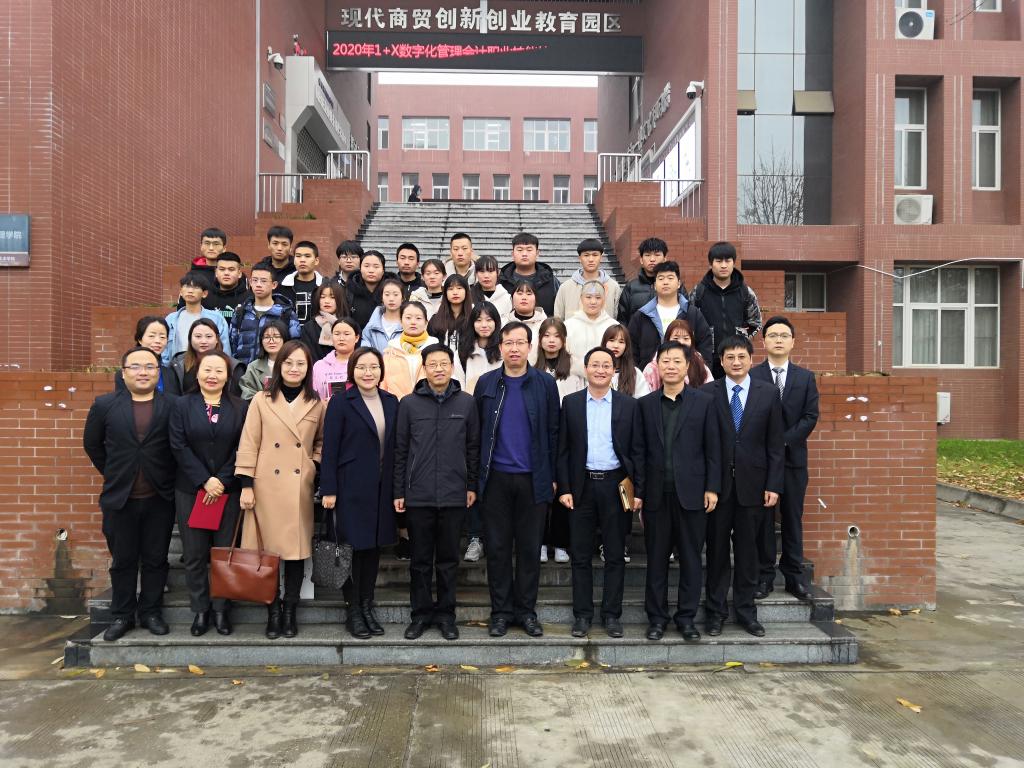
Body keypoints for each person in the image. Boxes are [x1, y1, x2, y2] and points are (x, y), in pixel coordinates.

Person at [83, 347, 177, 641]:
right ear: (123, 373)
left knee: (156, 559)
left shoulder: (173, 405)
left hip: (160, 497)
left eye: (149, 366)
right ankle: (122, 615)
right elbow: (92, 445)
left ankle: (151, 612)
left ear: (158, 372)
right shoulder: (105, 405)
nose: (142, 372)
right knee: (123, 560)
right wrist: (114, 472)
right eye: (135, 367)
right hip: (119, 497)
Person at [475, 322, 560, 638]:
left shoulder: (545, 384)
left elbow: (554, 432)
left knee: (529, 549)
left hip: (532, 478)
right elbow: (477, 433)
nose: (514, 348)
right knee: (497, 549)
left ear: (530, 346)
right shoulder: (487, 383)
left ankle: (526, 612)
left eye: (520, 342)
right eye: (508, 343)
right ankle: (500, 613)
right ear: (500, 347)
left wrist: (553, 476)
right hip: (495, 478)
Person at [236, 340, 325, 640]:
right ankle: (272, 611)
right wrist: (246, 485)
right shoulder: (261, 400)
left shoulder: (316, 403)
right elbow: (249, 442)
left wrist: (311, 464)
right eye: (288, 363)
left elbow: (321, 442)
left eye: (300, 363)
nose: (294, 368)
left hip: (298, 487)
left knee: (295, 553)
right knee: (268, 554)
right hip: (265, 486)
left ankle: (290, 611)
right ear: (279, 366)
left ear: (308, 368)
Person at [394, 344, 480, 641]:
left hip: (454, 493)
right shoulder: (409, 404)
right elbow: (400, 450)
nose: (439, 369)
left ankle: (446, 615)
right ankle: (419, 615)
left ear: (452, 367)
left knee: (448, 561)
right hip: (418, 495)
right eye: (433, 364)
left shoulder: (467, 403)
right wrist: (399, 490)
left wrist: (471, 485)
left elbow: (473, 448)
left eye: (444, 363)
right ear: (424, 368)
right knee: (419, 561)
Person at [636, 341, 721, 641]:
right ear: (657, 366)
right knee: (656, 561)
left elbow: (714, 449)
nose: (670, 366)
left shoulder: (704, 402)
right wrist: (639, 491)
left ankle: (686, 619)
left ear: (687, 366)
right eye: (665, 361)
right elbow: (639, 452)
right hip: (656, 496)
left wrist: (712, 487)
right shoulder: (645, 405)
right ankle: (657, 619)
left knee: (691, 560)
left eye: (676, 361)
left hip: (693, 495)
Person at [701, 335, 784, 638]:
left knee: (749, 554)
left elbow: (775, 444)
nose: (736, 362)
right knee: (717, 553)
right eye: (730, 357)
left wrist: (774, 484)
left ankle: (747, 612)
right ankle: (715, 613)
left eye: (741, 357)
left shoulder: (768, 393)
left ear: (751, 359)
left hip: (755, 487)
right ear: (721, 362)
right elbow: (701, 445)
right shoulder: (706, 393)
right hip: (718, 489)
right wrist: (707, 485)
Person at [558, 346, 643, 638]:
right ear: (586, 369)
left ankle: (611, 615)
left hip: (616, 485)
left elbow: (637, 450)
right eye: (595, 365)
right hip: (581, 486)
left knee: (615, 555)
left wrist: (638, 489)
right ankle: (582, 615)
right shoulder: (570, 404)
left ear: (614, 370)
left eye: (606, 365)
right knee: (580, 555)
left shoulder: (628, 405)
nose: (601, 370)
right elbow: (563, 450)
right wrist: (565, 488)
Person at [320, 346, 399, 639]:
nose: (368, 373)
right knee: (352, 550)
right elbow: (330, 448)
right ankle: (353, 610)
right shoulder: (341, 402)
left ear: (381, 370)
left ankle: (367, 605)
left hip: (381, 489)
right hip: (349, 487)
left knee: (373, 550)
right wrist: (329, 488)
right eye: (362, 367)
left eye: (374, 367)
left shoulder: (391, 401)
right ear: (352, 370)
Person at [168, 350, 248, 637]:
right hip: (191, 490)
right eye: (207, 370)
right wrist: (204, 480)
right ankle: (200, 610)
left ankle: (221, 609)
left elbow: (243, 446)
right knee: (194, 554)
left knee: (224, 554)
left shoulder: (240, 407)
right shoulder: (181, 405)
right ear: (197, 373)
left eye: (219, 371)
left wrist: (221, 480)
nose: (212, 376)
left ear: (228, 376)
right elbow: (178, 446)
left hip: (227, 491)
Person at [749, 316, 819, 602]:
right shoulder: (752, 376)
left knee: (792, 519)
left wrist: (781, 441)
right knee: (763, 522)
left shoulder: (805, 378)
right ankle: (764, 576)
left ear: (793, 342)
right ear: (763, 341)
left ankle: (794, 577)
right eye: (773, 335)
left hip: (793, 462)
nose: (778, 340)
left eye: (784, 335)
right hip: (761, 463)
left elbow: (810, 417)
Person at [532, 318, 583, 566]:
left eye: (556, 336)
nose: (551, 341)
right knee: (541, 490)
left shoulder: (576, 366)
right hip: (539, 433)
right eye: (546, 335)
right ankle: (541, 542)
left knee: (564, 486)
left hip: (568, 432)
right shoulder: (532, 365)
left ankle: (561, 543)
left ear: (563, 340)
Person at [689, 241, 762, 379]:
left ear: (733, 263)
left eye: (728, 261)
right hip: (706, 358)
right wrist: (703, 344)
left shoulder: (745, 292)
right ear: (711, 264)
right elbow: (690, 324)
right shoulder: (699, 292)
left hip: (736, 359)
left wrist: (738, 339)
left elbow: (755, 322)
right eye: (718, 261)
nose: (723, 265)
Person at [628, 260, 713, 371]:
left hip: (687, 377)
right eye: (661, 278)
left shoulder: (692, 313)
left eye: (670, 278)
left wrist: (700, 373)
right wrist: (637, 376)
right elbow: (631, 351)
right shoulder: (641, 316)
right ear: (654, 285)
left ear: (678, 283)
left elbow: (705, 346)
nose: (665, 282)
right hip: (649, 377)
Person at [229, 263, 301, 364]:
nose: (258, 284)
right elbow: (233, 344)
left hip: (275, 370)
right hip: (245, 371)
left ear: (274, 285)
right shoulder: (240, 312)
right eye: (255, 280)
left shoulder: (286, 313)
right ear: (250, 283)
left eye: (263, 281)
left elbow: (294, 346)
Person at [164, 271, 231, 364]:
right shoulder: (171, 319)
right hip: (177, 368)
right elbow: (165, 350)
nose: (190, 291)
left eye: (195, 287)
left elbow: (225, 349)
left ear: (204, 293)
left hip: (208, 366)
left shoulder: (216, 318)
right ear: (181, 292)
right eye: (187, 286)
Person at [167, 318, 244, 396]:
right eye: (198, 336)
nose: (203, 341)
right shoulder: (178, 363)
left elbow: (235, 398)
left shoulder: (233, 365)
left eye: (208, 336)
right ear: (190, 339)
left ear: (217, 339)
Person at [381, 300, 439, 400]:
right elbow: (383, 384)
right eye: (408, 318)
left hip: (429, 403)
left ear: (426, 323)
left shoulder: (436, 349)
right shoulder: (391, 350)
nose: (413, 322)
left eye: (418, 318)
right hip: (397, 404)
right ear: (401, 321)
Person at [554, 238, 621, 320]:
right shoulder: (566, 287)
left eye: (595, 255)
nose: (591, 259)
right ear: (580, 258)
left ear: (601, 257)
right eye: (586, 255)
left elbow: (618, 319)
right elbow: (558, 319)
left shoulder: (613, 287)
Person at [642, 318, 713, 392]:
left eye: (686, 338)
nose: (681, 342)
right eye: (676, 338)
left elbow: (709, 390)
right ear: (667, 340)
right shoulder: (652, 367)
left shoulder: (699, 363)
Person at [498, 232, 560, 317]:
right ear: (512, 254)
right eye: (520, 250)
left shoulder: (551, 281)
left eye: (529, 250)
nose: (524, 254)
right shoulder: (502, 280)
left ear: (537, 253)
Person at [564, 281, 618, 377]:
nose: (593, 302)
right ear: (581, 298)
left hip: (605, 379)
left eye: (598, 297)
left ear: (604, 299)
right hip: (573, 379)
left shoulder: (613, 326)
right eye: (588, 297)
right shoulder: (568, 325)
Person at [113, 316, 173, 394]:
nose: (158, 341)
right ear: (140, 339)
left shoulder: (171, 374)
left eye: (162, 337)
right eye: (151, 336)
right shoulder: (125, 373)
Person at [617, 237, 669, 326]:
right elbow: (622, 321)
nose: (652, 259)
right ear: (641, 260)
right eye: (647, 255)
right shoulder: (631, 288)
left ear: (665, 259)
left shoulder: (675, 286)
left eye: (657, 255)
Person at [455, 302, 503, 395]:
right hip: (471, 402)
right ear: (472, 323)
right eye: (478, 320)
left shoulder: (504, 350)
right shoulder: (462, 353)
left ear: (496, 322)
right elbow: (460, 387)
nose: (484, 325)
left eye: (489, 320)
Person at [300, 281, 351, 362]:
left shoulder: (350, 325)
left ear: (340, 299)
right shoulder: (309, 327)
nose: (326, 301)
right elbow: (308, 356)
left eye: (332, 297)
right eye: (322, 297)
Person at [311, 317, 361, 400]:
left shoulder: (363, 364)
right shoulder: (319, 366)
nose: (341, 338)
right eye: (337, 334)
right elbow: (312, 396)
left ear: (356, 338)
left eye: (346, 334)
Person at [278, 240, 326, 324]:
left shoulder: (324, 286)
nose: (302, 260)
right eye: (298, 256)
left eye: (307, 256)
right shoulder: (283, 286)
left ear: (316, 261)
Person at [600, 323, 652, 399]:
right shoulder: (597, 371)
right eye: (612, 340)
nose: (616, 345)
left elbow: (643, 400)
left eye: (621, 342)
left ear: (626, 346)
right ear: (604, 343)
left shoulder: (635, 373)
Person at [239, 320, 287, 400]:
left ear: (285, 339)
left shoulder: (294, 364)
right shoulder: (253, 367)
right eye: (267, 337)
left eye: (276, 336)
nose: (271, 341)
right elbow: (247, 394)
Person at [347, 250, 394, 330]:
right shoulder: (349, 291)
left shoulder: (393, 292)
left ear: (383, 270)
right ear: (360, 269)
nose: (371, 270)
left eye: (376, 267)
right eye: (366, 266)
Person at [427, 273, 474, 351]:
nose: (455, 292)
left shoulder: (474, 317)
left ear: (466, 291)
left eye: (459, 288)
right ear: (445, 293)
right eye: (450, 289)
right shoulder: (436, 319)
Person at [502, 281, 547, 357]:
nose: (524, 298)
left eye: (529, 294)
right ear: (512, 298)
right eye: (520, 293)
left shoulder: (545, 325)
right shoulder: (502, 323)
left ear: (536, 299)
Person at [362, 278, 405, 352]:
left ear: (403, 298)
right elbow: (365, 347)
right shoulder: (372, 325)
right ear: (382, 297)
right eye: (387, 294)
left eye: (396, 295)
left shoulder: (408, 324)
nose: (391, 299)